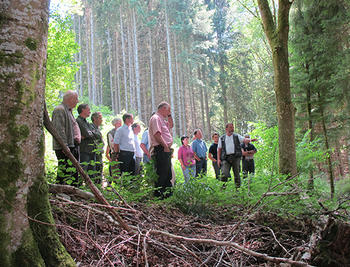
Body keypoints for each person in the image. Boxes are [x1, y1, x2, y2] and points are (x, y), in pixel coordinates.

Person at [52, 90, 81, 186]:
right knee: (65, 171)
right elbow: (59, 130)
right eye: (76, 99)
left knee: (72, 172)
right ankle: (62, 192)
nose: (77, 101)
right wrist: (65, 146)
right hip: (65, 148)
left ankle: (72, 191)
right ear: (70, 99)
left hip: (72, 146)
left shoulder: (68, 111)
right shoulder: (59, 110)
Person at [149, 101, 173, 198]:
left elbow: (171, 125)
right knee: (162, 173)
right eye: (168, 110)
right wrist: (165, 146)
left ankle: (167, 195)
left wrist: (170, 114)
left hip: (165, 149)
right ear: (163, 108)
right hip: (161, 149)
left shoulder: (162, 119)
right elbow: (157, 134)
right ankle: (159, 196)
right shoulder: (155, 118)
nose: (169, 112)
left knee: (168, 173)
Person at [217, 123, 254, 187]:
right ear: (226, 129)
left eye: (233, 127)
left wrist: (250, 140)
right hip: (226, 158)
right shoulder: (222, 138)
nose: (232, 129)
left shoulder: (237, 136)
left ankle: (238, 189)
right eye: (231, 127)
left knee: (237, 174)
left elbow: (244, 140)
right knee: (224, 173)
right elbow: (219, 149)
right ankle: (223, 188)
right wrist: (218, 159)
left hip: (236, 157)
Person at [76, 104, 96, 178]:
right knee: (83, 171)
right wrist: (89, 134)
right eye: (88, 109)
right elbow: (88, 133)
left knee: (92, 172)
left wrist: (90, 134)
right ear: (83, 110)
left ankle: (91, 188)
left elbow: (94, 134)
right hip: (84, 150)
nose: (90, 111)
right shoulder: (78, 121)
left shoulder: (86, 122)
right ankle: (80, 187)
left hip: (91, 150)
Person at [90, 112, 104, 184]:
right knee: (95, 169)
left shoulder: (97, 128)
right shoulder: (91, 127)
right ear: (95, 119)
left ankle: (99, 184)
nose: (102, 120)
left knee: (100, 168)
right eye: (100, 118)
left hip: (99, 153)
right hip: (94, 153)